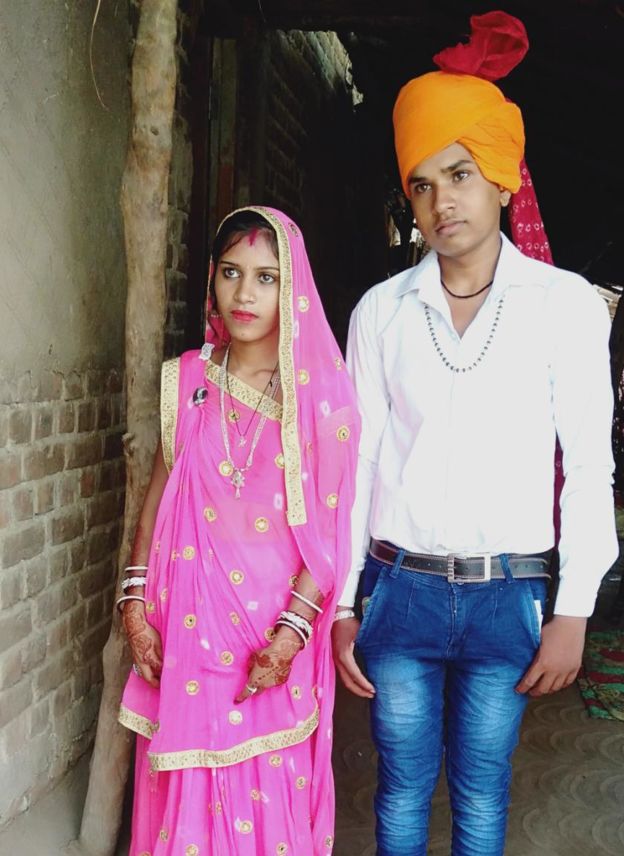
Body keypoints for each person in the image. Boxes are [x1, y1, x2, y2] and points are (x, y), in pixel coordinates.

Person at [331, 12, 618, 856]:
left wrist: (574, 610)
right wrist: (343, 603)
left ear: (501, 179)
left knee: (484, 791)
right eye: (421, 184)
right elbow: (358, 462)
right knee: (400, 788)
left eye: (459, 173)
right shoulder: (381, 312)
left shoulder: (564, 306)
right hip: (399, 590)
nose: (441, 201)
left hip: (508, 595)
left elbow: (590, 465)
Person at [118, 206, 360, 855]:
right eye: (231, 272)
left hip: (268, 640)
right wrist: (134, 605)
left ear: (294, 288)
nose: (245, 293)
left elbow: (330, 533)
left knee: (264, 794)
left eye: (266, 277)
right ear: (212, 280)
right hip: (185, 634)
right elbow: (158, 499)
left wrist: (291, 633)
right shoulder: (190, 381)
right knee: (186, 786)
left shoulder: (322, 401)